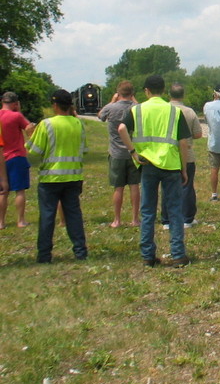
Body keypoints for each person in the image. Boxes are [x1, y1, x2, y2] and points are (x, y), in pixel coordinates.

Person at [118, 75, 191, 267]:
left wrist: (133, 151)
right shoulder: (174, 111)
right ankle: (177, 254)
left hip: (147, 164)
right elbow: (183, 142)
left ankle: (147, 255)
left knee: (148, 211)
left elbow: (121, 128)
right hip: (171, 164)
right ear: (164, 90)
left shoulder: (137, 110)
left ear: (146, 91)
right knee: (174, 210)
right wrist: (183, 168)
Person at [26, 90, 88, 263]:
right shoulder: (79, 124)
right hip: (73, 176)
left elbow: (35, 150)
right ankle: (80, 251)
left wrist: (30, 134)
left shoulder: (46, 124)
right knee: (74, 214)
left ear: (54, 105)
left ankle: (44, 255)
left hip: (51, 178)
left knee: (47, 216)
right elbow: (83, 150)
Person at [96, 81, 141, 228]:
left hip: (116, 152)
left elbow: (100, 115)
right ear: (132, 93)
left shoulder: (111, 107)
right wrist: (133, 99)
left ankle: (117, 219)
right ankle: (135, 219)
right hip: (133, 152)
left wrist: (112, 100)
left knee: (118, 187)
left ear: (118, 92)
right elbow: (141, 109)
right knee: (134, 186)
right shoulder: (136, 108)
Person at [161, 84, 203, 229]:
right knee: (187, 186)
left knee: (167, 187)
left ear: (169, 94)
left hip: (166, 154)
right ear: (183, 95)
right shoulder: (189, 112)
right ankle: (187, 218)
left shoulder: (163, 110)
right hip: (187, 153)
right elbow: (198, 134)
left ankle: (166, 220)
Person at [0, 92, 35, 229]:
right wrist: (19, 111)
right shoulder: (16, 116)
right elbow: (29, 129)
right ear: (15, 103)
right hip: (16, 155)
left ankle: (1, 222)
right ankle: (20, 220)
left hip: (2, 157)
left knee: (3, 191)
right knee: (19, 190)